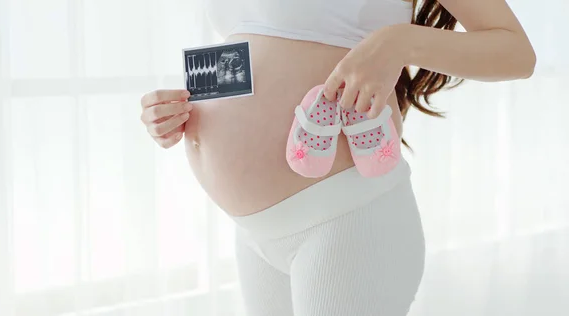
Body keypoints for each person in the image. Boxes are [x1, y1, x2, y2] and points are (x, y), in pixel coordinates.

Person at [139, 0, 536, 315]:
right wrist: (182, 113)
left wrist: (399, 41)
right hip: (254, 231)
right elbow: (255, 45)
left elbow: (516, 52)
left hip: (345, 220)